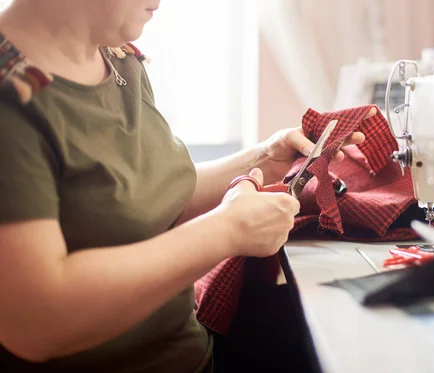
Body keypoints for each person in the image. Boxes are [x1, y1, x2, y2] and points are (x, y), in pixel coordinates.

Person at [0, 1, 365, 372]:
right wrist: (227, 231)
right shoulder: (10, 101)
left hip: (190, 353)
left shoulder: (116, 56)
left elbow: (149, 199)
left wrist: (264, 160)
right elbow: (36, 322)